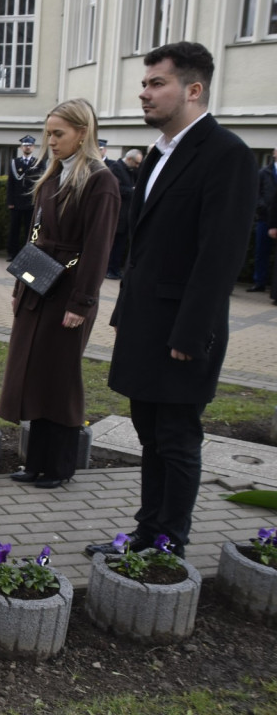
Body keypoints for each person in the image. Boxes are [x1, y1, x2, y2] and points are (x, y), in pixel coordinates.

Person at [86, 41, 256, 559]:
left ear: (193, 89)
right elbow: (147, 248)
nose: (144, 93)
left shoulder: (227, 155)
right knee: (150, 435)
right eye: (144, 84)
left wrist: (190, 332)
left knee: (177, 438)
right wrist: (126, 314)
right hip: (144, 323)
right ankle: (146, 532)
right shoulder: (160, 154)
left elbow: (219, 255)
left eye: (156, 83)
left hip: (182, 330)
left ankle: (169, 543)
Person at [0, 98, 120, 490]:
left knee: (60, 377)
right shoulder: (52, 176)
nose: (50, 141)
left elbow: (98, 247)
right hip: (39, 285)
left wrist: (81, 302)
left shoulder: (100, 181)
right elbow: (36, 238)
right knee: (35, 373)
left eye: (58, 133)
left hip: (69, 290)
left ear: (82, 133)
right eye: (48, 133)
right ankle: (36, 463)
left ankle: (59, 467)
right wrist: (22, 286)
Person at [5, 135, 44, 259]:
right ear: (21, 147)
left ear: (33, 147)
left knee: (30, 230)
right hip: (16, 201)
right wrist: (10, 201)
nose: (28, 147)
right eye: (25, 145)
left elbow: (41, 182)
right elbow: (10, 183)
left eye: (30, 145)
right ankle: (12, 253)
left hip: (31, 202)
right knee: (14, 229)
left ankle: (28, 254)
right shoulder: (15, 162)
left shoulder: (39, 162)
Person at [105, 148, 142, 279]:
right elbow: (115, 189)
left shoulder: (131, 171)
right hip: (118, 215)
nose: (138, 166)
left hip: (126, 216)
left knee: (120, 246)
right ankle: (109, 269)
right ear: (129, 159)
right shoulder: (116, 168)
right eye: (136, 163)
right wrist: (132, 191)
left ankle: (114, 268)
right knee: (114, 245)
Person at [251, 146, 277, 292]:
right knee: (261, 252)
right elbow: (256, 193)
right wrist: (262, 207)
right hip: (264, 218)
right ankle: (259, 282)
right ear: (274, 154)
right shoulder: (264, 172)